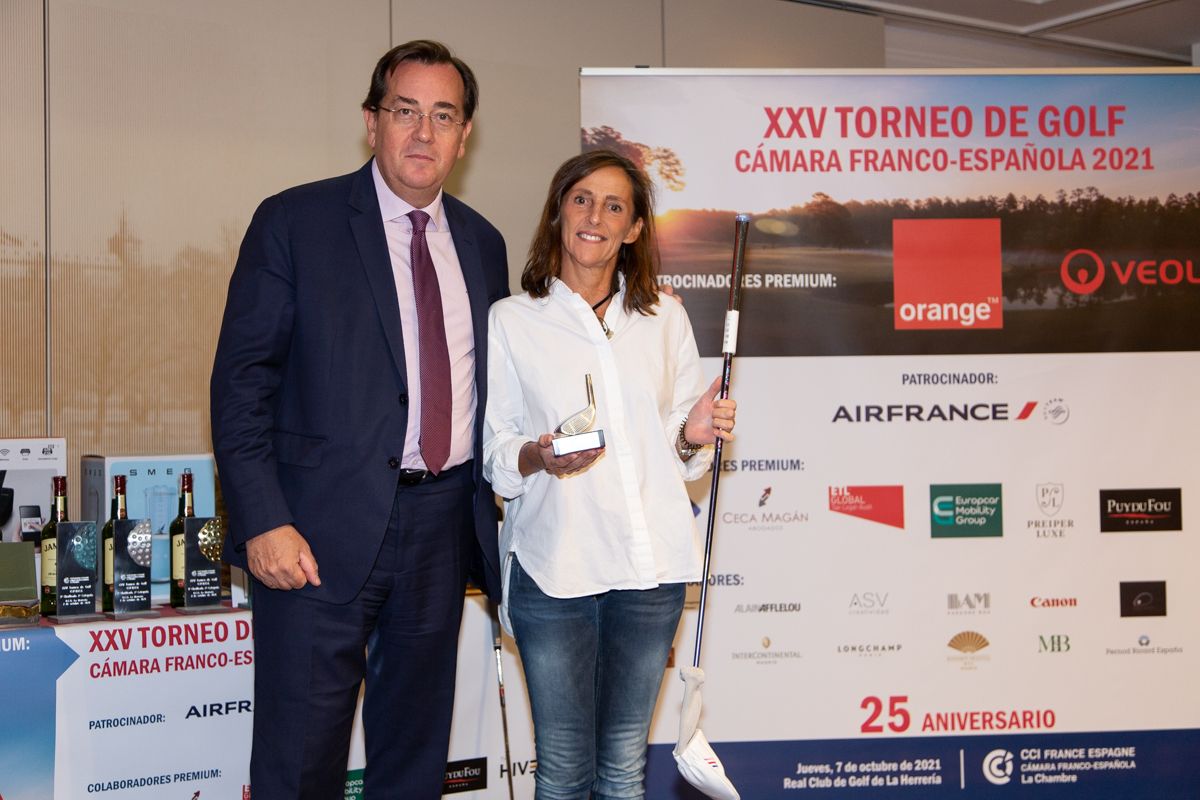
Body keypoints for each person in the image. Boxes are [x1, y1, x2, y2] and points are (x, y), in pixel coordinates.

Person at [210, 40, 508, 799]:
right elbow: (241, 386)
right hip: (312, 536)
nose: (424, 132)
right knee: (299, 763)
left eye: (444, 116)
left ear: (465, 135)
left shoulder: (483, 244)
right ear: (371, 121)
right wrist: (263, 520)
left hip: (441, 530)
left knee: (414, 761)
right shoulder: (294, 222)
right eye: (405, 111)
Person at [482, 150, 737, 800]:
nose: (595, 216)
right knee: (565, 772)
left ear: (634, 228)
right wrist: (539, 455)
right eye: (582, 199)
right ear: (558, 212)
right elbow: (497, 452)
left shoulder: (665, 318)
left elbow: (678, 448)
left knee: (623, 771)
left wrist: (692, 433)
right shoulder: (512, 319)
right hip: (555, 571)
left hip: (647, 576)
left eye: (614, 205)